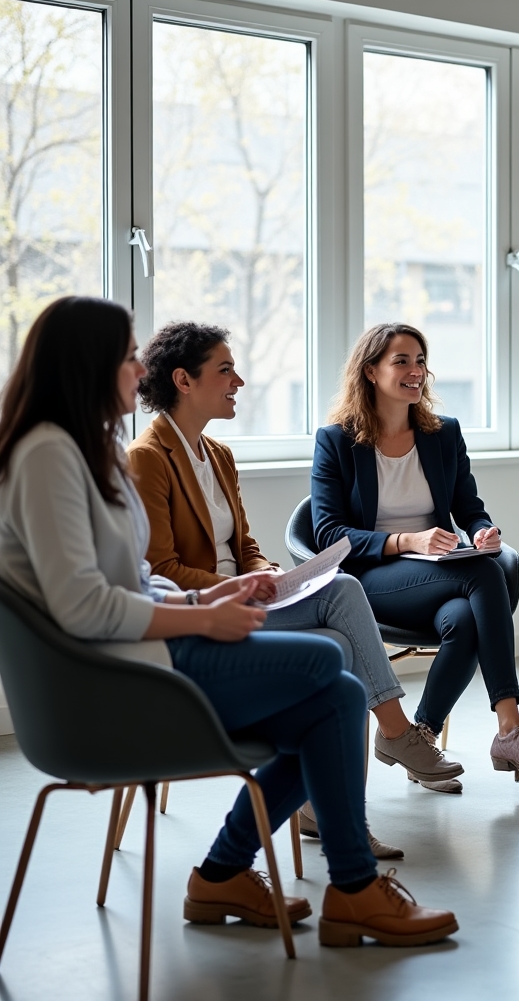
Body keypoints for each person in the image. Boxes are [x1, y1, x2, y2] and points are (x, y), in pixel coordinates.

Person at [0, 297, 457, 947]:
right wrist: (200, 620)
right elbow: (83, 607)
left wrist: (206, 602)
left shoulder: (89, 447)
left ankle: (241, 875)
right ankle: (331, 886)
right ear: (88, 364)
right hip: (112, 682)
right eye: (129, 355)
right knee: (329, 671)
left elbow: (132, 576)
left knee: (336, 693)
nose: (139, 368)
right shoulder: (50, 455)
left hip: (146, 652)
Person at [127, 323, 460, 855]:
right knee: (345, 594)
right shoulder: (147, 458)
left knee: (344, 644)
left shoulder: (217, 455)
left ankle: (321, 811)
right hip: (203, 618)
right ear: (184, 381)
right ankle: (394, 736)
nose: (239, 379)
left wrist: (268, 573)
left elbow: (246, 545)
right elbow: (159, 570)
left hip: (245, 598)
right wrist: (239, 587)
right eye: (225, 370)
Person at [311, 322, 519, 798]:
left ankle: (421, 738)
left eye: (420, 361)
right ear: (370, 371)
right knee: (481, 573)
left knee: (468, 619)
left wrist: (479, 531)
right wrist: (408, 542)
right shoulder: (337, 441)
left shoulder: (442, 433)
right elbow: (328, 533)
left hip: (436, 577)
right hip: (370, 580)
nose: (416, 371)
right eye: (401, 361)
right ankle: (511, 731)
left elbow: (468, 506)